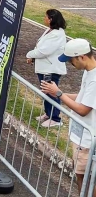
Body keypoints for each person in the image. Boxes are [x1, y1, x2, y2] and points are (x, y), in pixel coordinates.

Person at [40, 39, 96, 195]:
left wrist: (58, 93)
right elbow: (83, 97)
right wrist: (57, 94)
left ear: (82, 57)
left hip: (87, 140)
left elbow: (84, 109)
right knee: (81, 177)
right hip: (81, 137)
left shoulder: (94, 78)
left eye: (71, 60)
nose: (71, 64)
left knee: (87, 179)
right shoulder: (89, 72)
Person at [26, 9, 68, 128]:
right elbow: (40, 46)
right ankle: (48, 113)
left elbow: (44, 51)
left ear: (51, 19)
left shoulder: (57, 34)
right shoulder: (50, 30)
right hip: (45, 68)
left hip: (51, 69)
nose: (44, 18)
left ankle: (55, 118)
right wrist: (33, 57)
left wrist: (29, 55)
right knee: (46, 91)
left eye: (46, 17)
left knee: (52, 93)